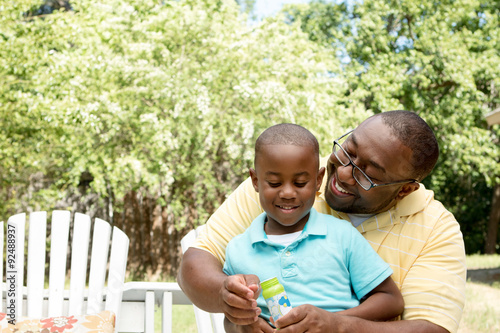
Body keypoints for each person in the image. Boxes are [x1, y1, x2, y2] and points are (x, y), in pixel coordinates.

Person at [178, 110, 467, 333]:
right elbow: (196, 264)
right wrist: (231, 304)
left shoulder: (436, 228)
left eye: (367, 174)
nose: (341, 174)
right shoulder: (283, 180)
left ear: (404, 189)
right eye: (347, 151)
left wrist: (337, 325)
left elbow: (431, 328)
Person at [223, 123, 404, 331]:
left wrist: (334, 323)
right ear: (255, 181)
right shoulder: (237, 250)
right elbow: (230, 318)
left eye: (300, 183)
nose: (288, 193)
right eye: (274, 183)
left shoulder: (342, 235)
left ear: (318, 180)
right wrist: (242, 324)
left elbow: (391, 300)